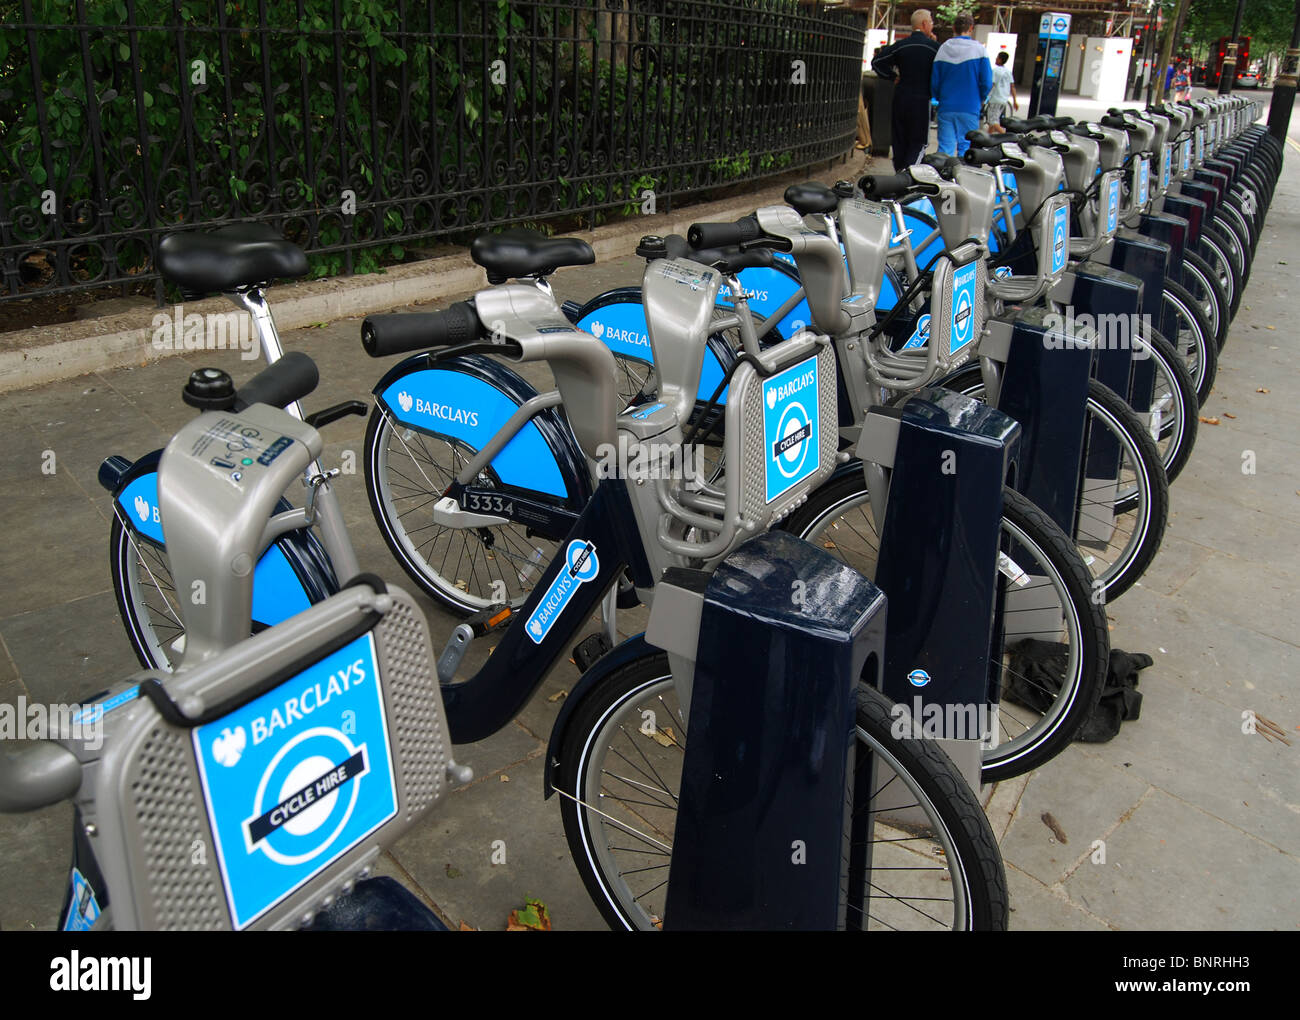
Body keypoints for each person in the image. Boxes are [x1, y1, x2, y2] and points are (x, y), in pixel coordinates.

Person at [872, 9, 940, 171]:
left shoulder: (902, 45)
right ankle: (909, 176)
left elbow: (877, 62)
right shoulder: (934, 48)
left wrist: (891, 76)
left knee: (900, 139)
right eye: (931, 21)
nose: (932, 25)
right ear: (924, 24)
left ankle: (899, 173)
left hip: (900, 97)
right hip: (922, 100)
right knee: (918, 142)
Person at [931, 13, 992, 157]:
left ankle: (944, 177)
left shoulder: (943, 49)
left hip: (946, 107)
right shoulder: (979, 50)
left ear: (953, 28)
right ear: (971, 28)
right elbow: (987, 82)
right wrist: (981, 98)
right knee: (967, 148)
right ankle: (963, 178)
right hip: (970, 107)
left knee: (945, 149)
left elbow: (934, 81)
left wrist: (939, 97)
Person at [985, 51, 1017, 133]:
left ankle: (1007, 136)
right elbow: (1012, 86)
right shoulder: (1008, 72)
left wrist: (985, 99)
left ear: (1000, 59)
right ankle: (989, 139)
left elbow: (992, 85)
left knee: (993, 121)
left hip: (995, 99)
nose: (996, 59)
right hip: (1003, 100)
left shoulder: (995, 71)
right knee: (993, 121)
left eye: (997, 57)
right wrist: (1015, 101)